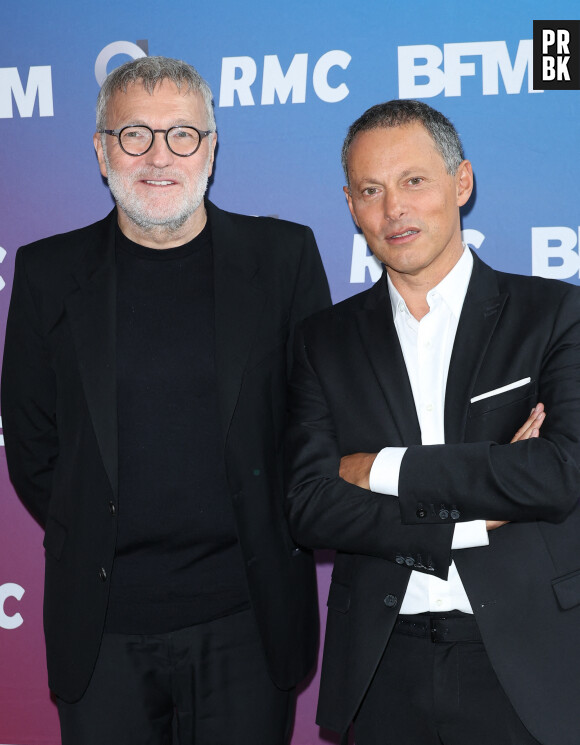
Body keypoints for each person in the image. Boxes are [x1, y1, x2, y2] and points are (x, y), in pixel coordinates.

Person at [1, 56, 330, 745]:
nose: (159, 155)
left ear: (210, 150)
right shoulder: (46, 273)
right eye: (135, 135)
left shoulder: (284, 258)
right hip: (103, 628)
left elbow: (313, 422)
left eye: (182, 134)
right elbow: (32, 445)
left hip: (248, 619)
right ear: (101, 150)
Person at [285, 99, 580, 745]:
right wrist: (480, 510)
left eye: (414, 180)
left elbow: (560, 471)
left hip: (529, 664)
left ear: (461, 182)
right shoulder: (322, 340)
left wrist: (379, 468)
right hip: (382, 667)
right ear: (350, 204)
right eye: (371, 189)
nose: (394, 208)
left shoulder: (554, 313)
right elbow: (310, 504)